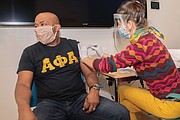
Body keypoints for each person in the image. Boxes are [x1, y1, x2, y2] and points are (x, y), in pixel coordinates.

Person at [14, 12, 130, 120]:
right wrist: (23, 108)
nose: (38, 29)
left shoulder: (73, 45)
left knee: (121, 113)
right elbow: (23, 84)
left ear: (57, 27)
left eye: (42, 24)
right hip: (49, 104)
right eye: (36, 26)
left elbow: (89, 72)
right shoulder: (30, 53)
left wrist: (94, 90)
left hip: (79, 100)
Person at [79, 0, 180, 120]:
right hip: (174, 99)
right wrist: (102, 54)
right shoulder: (148, 37)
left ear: (130, 24)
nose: (119, 27)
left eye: (119, 24)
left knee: (122, 90)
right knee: (127, 107)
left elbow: (105, 66)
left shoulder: (140, 46)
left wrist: (84, 58)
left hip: (169, 104)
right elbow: (123, 59)